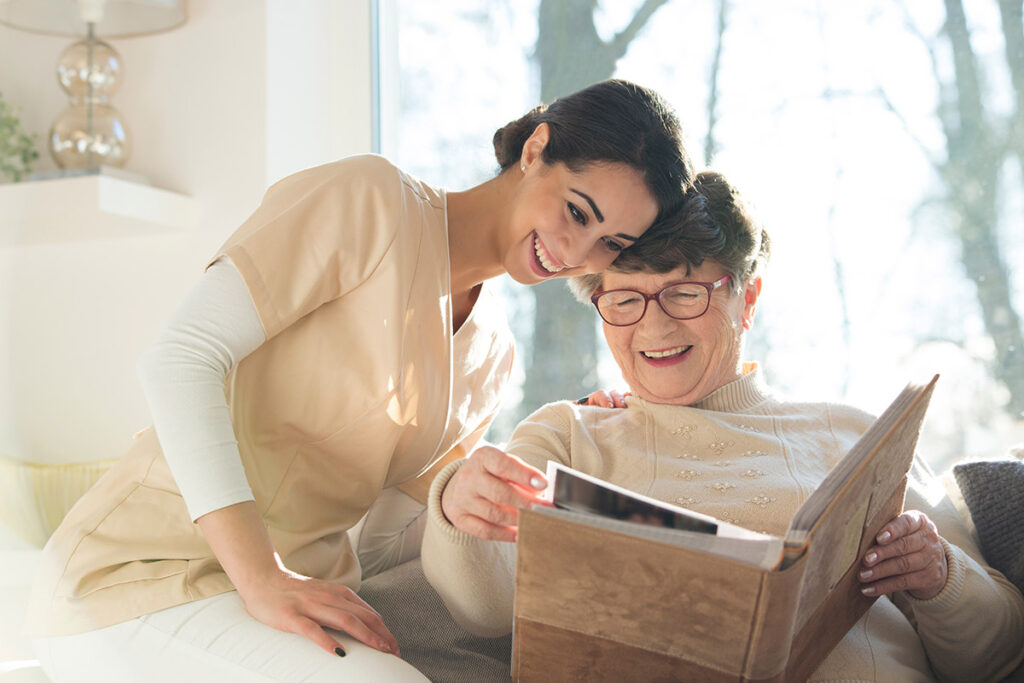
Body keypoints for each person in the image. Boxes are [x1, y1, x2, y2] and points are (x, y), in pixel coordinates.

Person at [25, 79, 701, 682]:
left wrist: (471, 500)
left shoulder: (492, 355)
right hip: (135, 580)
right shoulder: (369, 201)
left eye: (610, 245)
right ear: (536, 150)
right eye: (578, 212)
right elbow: (177, 358)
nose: (577, 255)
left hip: (282, 603)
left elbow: (379, 545)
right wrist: (262, 576)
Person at [421, 171, 1024, 682]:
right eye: (626, 300)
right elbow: (485, 609)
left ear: (748, 296)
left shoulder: (855, 436)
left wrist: (939, 575)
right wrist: (458, 505)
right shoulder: (568, 434)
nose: (653, 329)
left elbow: (998, 652)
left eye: (685, 294)